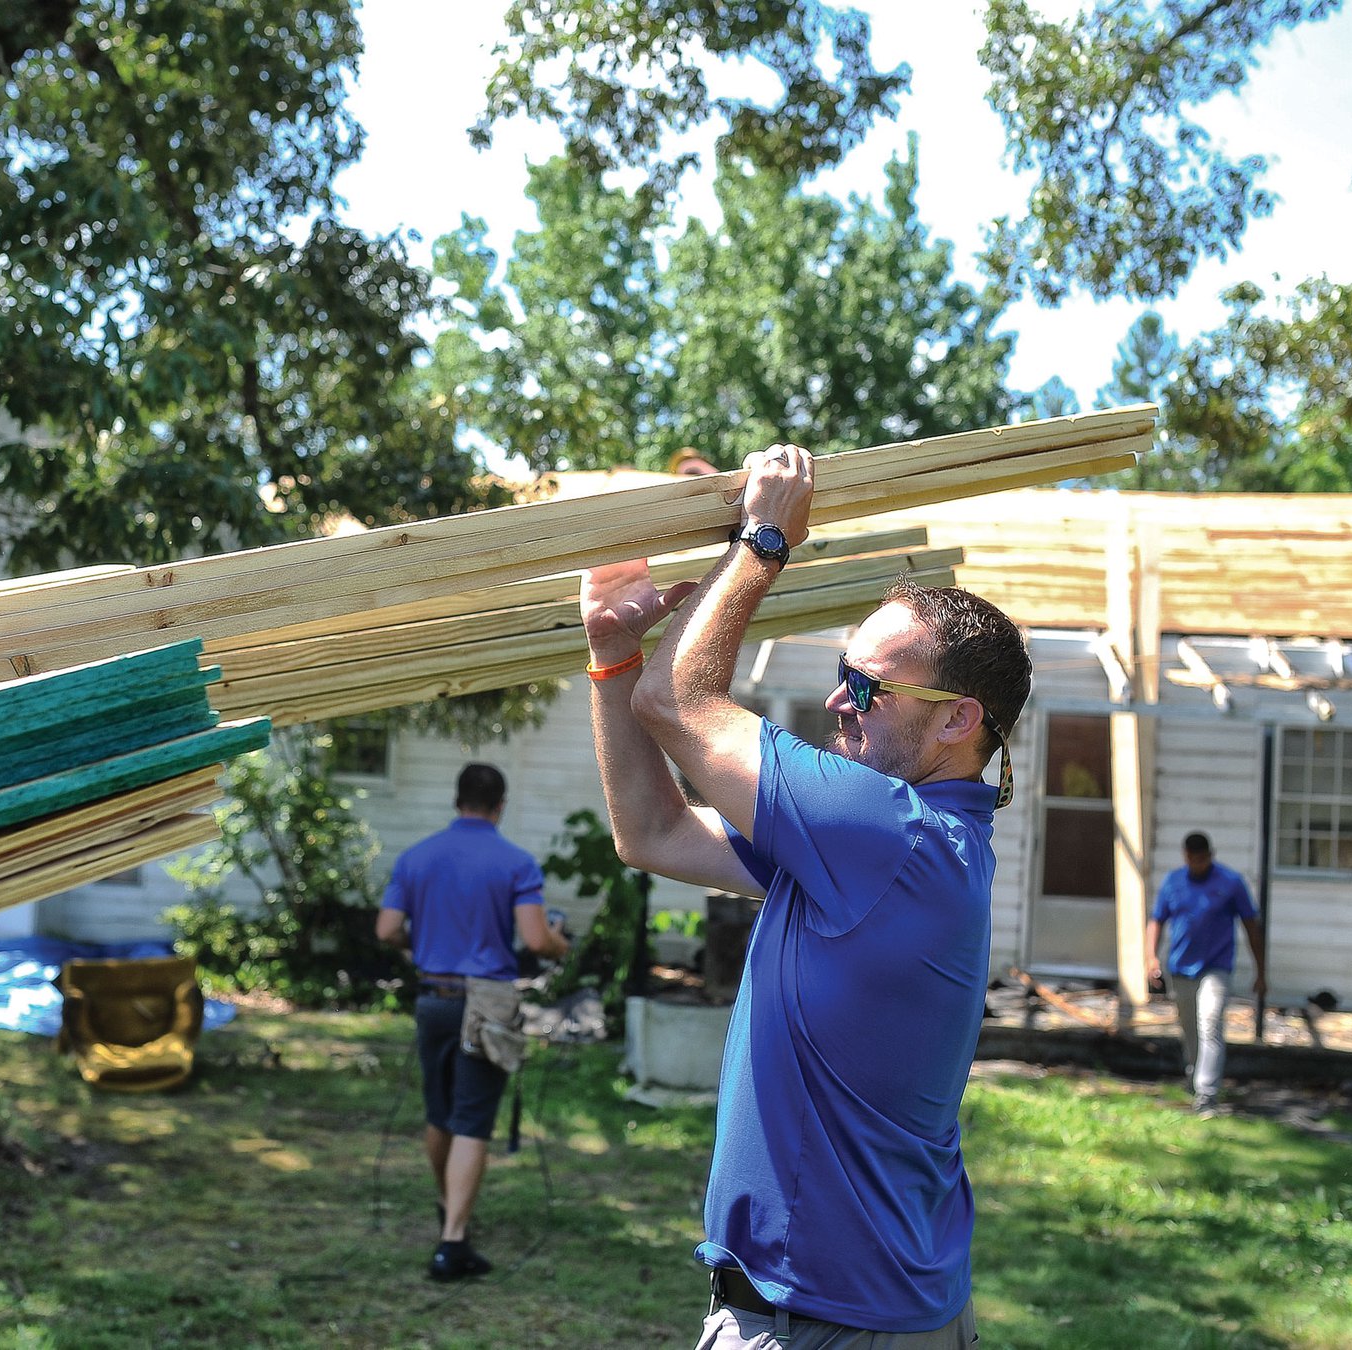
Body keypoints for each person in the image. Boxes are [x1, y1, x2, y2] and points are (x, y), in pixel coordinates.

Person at [581, 442, 1029, 1348]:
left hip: (824, 1323)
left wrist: (763, 543)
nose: (837, 700)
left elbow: (679, 702)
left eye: (868, 683)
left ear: (956, 720)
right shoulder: (880, 847)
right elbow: (653, 834)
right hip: (861, 1313)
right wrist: (613, 657)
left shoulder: (889, 834)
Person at [375, 762, 569, 1281]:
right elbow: (534, 941)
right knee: (472, 1120)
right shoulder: (515, 863)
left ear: (456, 800)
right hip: (486, 1002)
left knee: (440, 1114)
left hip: (434, 998)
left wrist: (421, 945)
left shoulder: (417, 857)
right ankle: (453, 1241)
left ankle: (447, 1205)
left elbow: (387, 928)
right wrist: (558, 941)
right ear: (499, 806)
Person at [1144, 831, 1267, 1117]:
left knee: (1210, 1023)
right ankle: (1194, 1074)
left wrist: (1261, 972)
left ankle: (1207, 1094)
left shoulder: (1231, 883)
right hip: (1181, 968)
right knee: (1189, 1028)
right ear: (1185, 856)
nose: (1198, 864)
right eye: (1192, 859)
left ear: (1211, 855)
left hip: (1216, 968)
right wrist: (1151, 957)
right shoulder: (1173, 882)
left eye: (1202, 859)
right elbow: (1157, 921)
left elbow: (1251, 927)